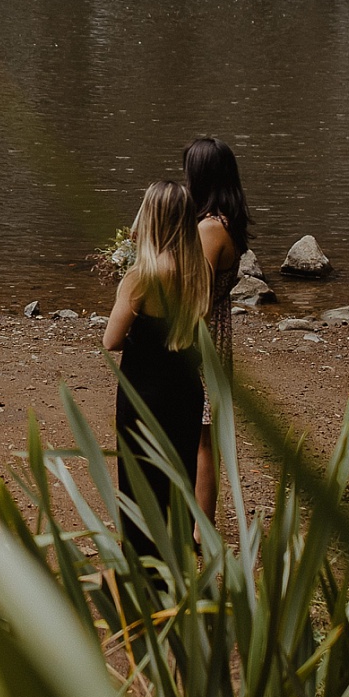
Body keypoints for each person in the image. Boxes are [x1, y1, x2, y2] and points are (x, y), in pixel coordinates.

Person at [103, 180, 213, 545]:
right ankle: (177, 574)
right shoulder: (200, 272)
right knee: (177, 487)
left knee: (140, 489)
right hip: (185, 392)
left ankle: (143, 580)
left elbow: (111, 340)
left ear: (150, 219)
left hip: (144, 395)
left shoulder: (143, 277)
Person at [184, 136, 250, 505]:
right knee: (202, 437)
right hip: (219, 333)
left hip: (202, 339)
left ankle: (200, 529)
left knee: (201, 439)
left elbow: (200, 295)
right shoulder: (227, 221)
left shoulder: (210, 228)